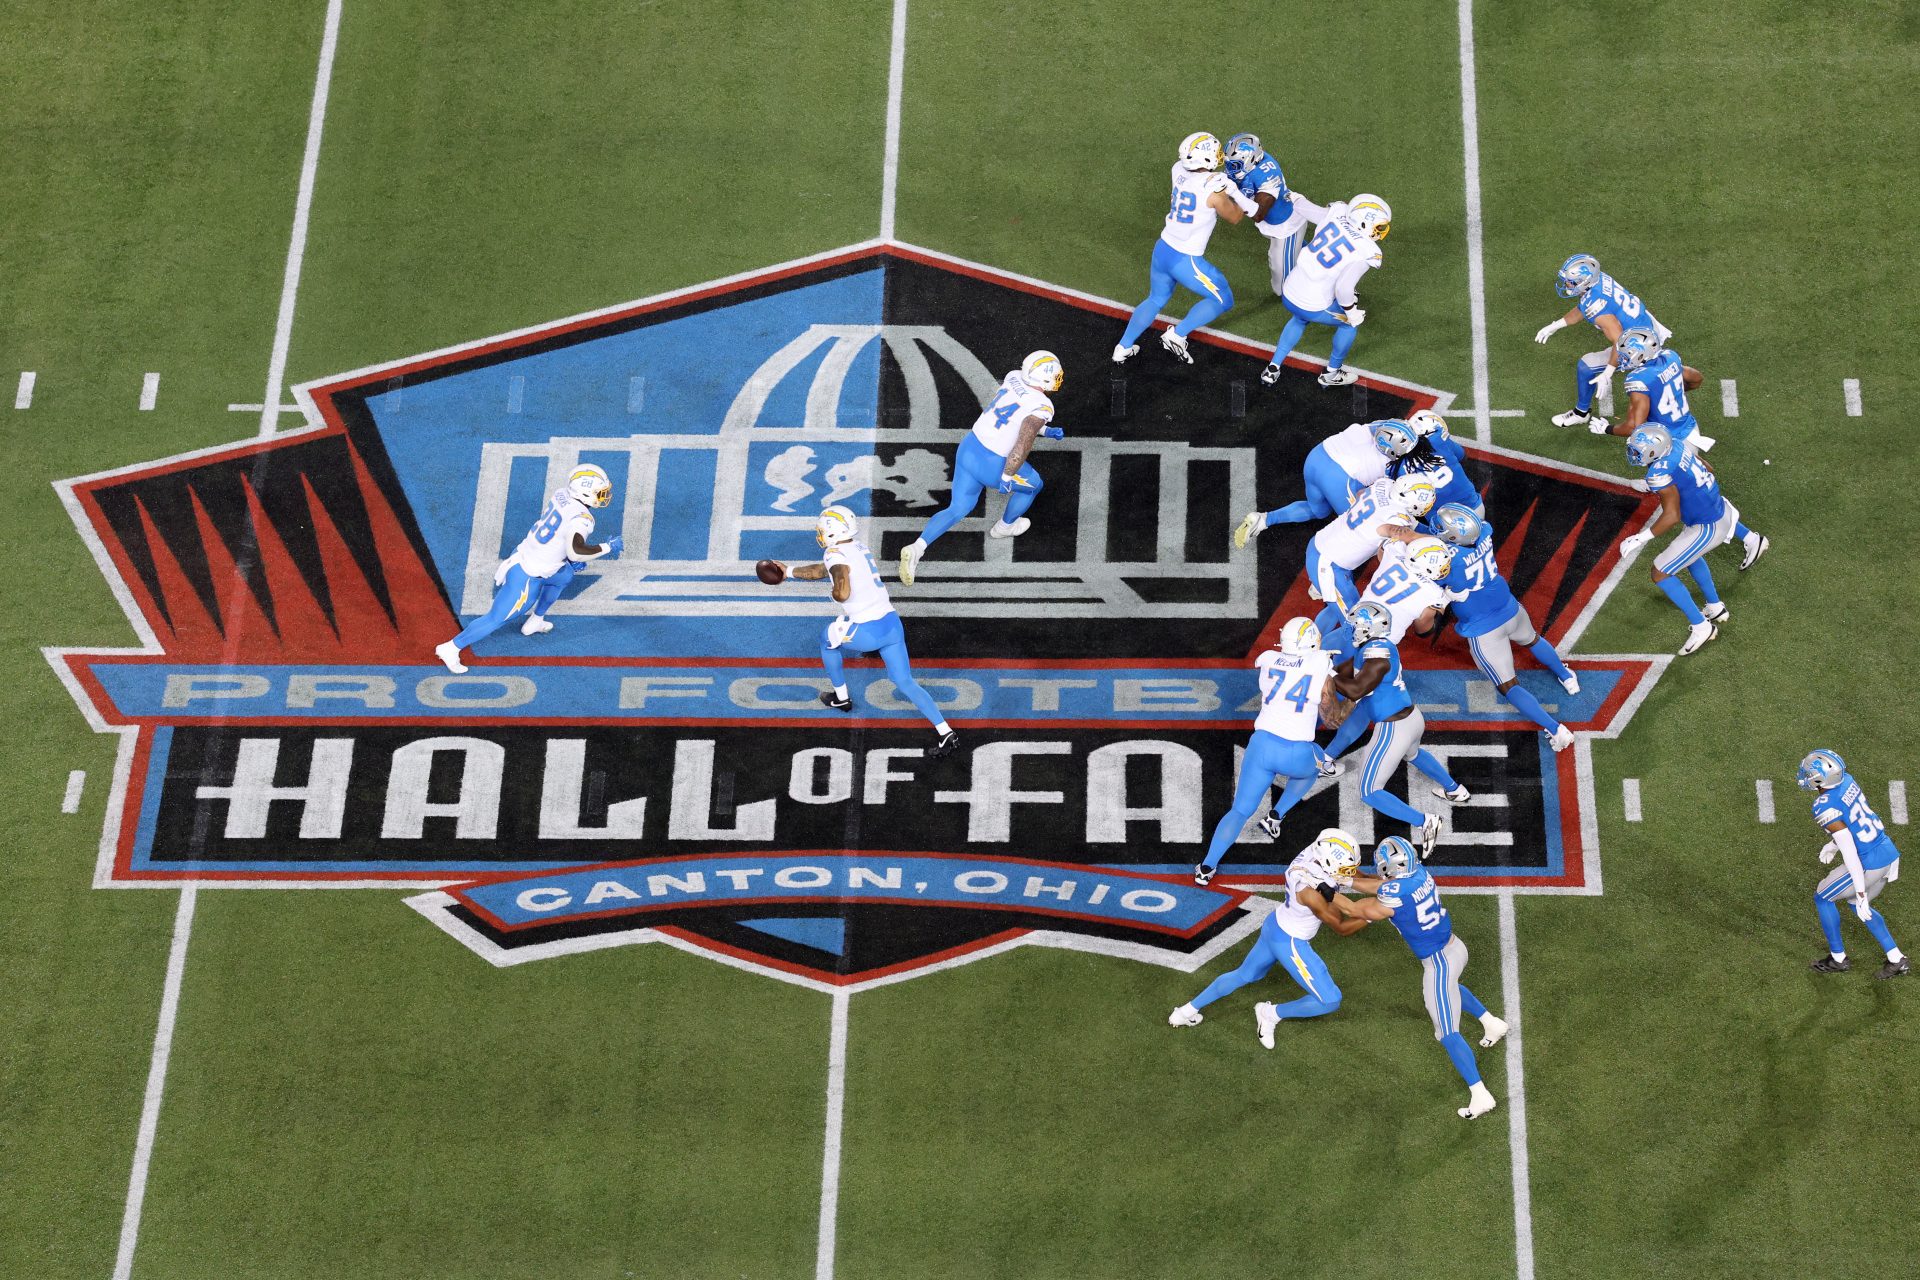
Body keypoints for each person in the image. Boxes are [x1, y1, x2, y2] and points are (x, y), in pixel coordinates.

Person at [1339, 836, 1509, 1118]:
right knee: (1451, 989)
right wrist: (1345, 880)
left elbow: (1355, 909)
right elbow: (1380, 886)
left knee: (1447, 1032)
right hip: (1455, 948)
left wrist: (1326, 889)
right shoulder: (1419, 874)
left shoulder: (1394, 892)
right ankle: (1492, 1023)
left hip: (1439, 963)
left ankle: (1480, 1094)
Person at [780, 506, 959, 758]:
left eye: (823, 529)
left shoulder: (834, 552)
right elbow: (823, 570)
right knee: (905, 681)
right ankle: (945, 731)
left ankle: (841, 698)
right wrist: (788, 572)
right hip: (891, 624)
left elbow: (840, 585)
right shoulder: (858, 546)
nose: (820, 533)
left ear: (832, 532)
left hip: (867, 631)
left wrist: (836, 593)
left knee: (827, 639)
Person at [1169, 830, 1365, 1040]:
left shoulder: (1314, 853)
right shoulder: (1311, 893)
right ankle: (1270, 1014)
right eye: (1345, 869)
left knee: (1244, 975)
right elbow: (1342, 926)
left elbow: (1350, 875)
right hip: (1290, 942)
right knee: (1330, 1000)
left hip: (1275, 926)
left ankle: (1185, 1011)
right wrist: (1376, 913)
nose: (1349, 872)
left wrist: (1386, 884)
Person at [1192, 618, 1339, 886]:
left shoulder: (1269, 658)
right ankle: (1275, 816)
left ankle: (1206, 867)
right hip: (1296, 751)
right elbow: (1330, 715)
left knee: (1239, 810)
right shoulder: (1320, 663)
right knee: (1317, 763)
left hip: (1260, 746)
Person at [435, 463, 622, 673]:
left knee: (564, 576)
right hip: (528, 573)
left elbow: (559, 535)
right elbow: (576, 551)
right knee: (496, 618)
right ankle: (450, 647)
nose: (604, 496)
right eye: (600, 492)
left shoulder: (561, 494)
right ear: (585, 493)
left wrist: (566, 560)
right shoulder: (583, 518)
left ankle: (536, 620)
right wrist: (607, 547)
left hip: (536, 556)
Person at [899, 351, 1063, 585]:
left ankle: (918, 547)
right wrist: (1007, 474)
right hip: (993, 463)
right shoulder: (1042, 405)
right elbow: (1024, 440)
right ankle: (1005, 527)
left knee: (959, 507)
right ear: (1044, 379)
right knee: (1034, 486)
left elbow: (1010, 412)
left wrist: (1044, 429)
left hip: (970, 447)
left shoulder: (1014, 376)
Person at [1618, 424, 1766, 656]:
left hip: (1707, 526)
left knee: (1660, 572)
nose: (1634, 454)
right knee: (1689, 556)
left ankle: (1701, 626)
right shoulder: (1677, 445)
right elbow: (1709, 467)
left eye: (1638, 450)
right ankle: (1715, 607)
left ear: (1654, 451)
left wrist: (1641, 537)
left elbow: (1672, 515)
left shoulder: (1657, 473)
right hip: (1719, 508)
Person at [1113, 133, 1259, 365]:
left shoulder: (1177, 169)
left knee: (1155, 299)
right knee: (1224, 300)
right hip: (1185, 260)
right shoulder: (1214, 193)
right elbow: (1236, 216)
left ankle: (1123, 347)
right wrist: (1235, 191)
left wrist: (1221, 184)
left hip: (1163, 249)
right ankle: (1176, 335)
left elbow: (1200, 180)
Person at [1259, 194, 1392, 388]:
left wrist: (1293, 197)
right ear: (1364, 223)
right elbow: (1343, 288)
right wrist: (1352, 312)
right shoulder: (1367, 250)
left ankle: (1273, 368)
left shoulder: (1336, 215)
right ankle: (1331, 373)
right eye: (1379, 226)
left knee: (1299, 318)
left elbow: (1303, 207)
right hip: (1312, 304)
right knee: (1349, 325)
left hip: (1290, 289)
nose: (1381, 230)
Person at [1798, 750, 1907, 978]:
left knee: (1823, 896)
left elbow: (1850, 853)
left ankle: (1838, 959)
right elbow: (1853, 822)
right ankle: (1896, 959)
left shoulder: (1823, 806)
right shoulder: (1847, 781)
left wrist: (1860, 892)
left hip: (1868, 863)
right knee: (1854, 905)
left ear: (1820, 779)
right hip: (1887, 851)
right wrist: (1833, 844)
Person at [1533, 253, 1669, 431]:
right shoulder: (1598, 280)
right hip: (1645, 327)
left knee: (1586, 366)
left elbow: (1619, 342)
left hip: (1640, 346)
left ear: (1585, 281)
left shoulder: (1598, 307)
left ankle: (1581, 414)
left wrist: (1608, 372)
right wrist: (1555, 326)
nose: (1567, 284)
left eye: (1572, 282)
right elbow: (1583, 307)